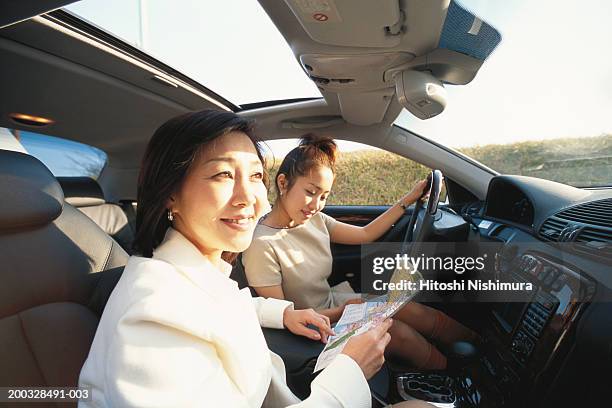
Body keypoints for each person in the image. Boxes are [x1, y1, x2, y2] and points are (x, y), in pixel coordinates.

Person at [78, 110, 431, 408]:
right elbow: (190, 312)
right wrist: (352, 369)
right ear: (170, 193)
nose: (249, 196)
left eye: (255, 176)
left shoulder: (194, 274)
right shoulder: (152, 317)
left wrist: (284, 313)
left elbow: (218, 304)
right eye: (223, 174)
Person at [243, 135, 477, 370]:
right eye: (310, 191)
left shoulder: (315, 220)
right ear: (283, 183)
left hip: (337, 304)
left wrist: (410, 199)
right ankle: (453, 373)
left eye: (323, 196)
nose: (316, 204)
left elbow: (365, 234)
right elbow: (285, 317)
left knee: (407, 307)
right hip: (315, 327)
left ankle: (482, 349)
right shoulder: (261, 245)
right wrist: (340, 312)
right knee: (394, 330)